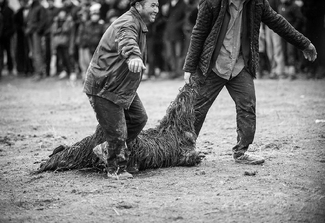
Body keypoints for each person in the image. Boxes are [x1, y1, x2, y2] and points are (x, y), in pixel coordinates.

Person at [183, 0, 317, 165]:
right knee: (197, 108)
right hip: (214, 65)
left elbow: (278, 22)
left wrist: (304, 43)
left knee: (248, 105)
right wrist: (189, 67)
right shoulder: (211, 2)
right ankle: (185, 150)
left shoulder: (257, 3)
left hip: (239, 65)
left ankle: (241, 151)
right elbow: (199, 32)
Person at [83, 0, 159, 179]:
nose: (157, 9)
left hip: (120, 85)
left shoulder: (137, 23)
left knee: (139, 118)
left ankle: (107, 149)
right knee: (118, 132)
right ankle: (115, 169)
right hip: (105, 85)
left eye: (157, 5)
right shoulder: (128, 23)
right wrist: (133, 55)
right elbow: (126, 39)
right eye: (152, 5)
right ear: (139, 6)